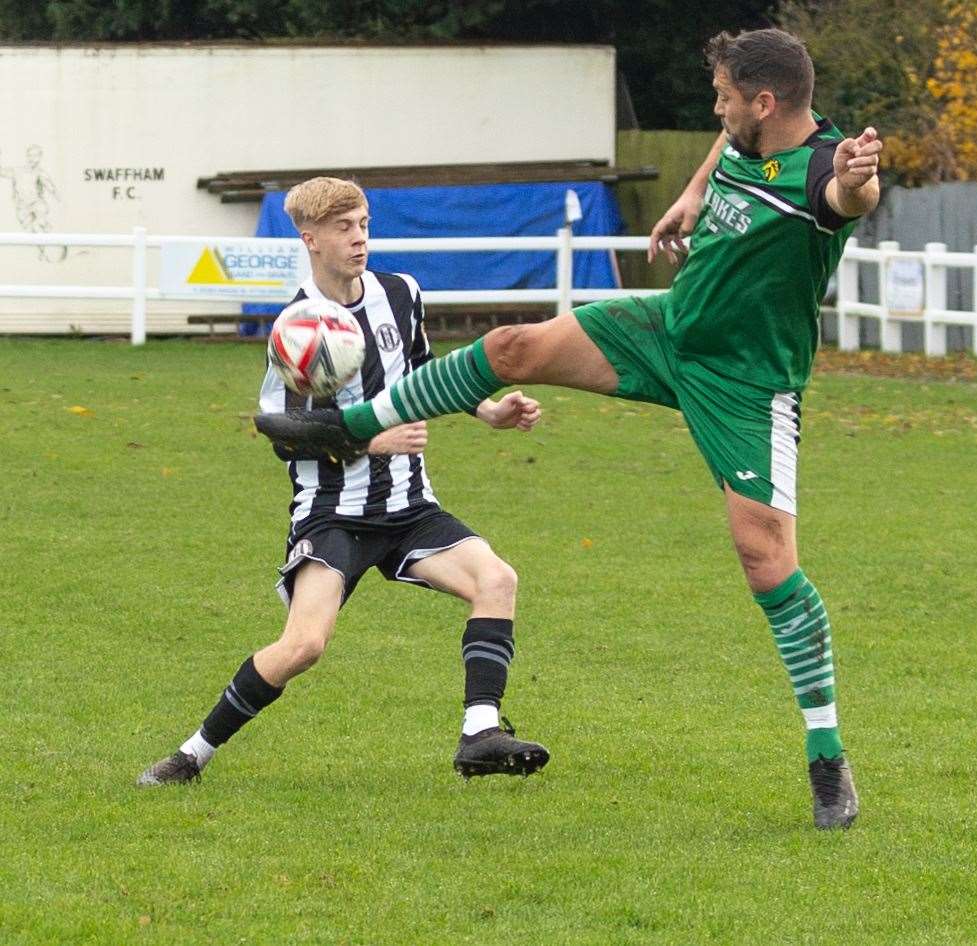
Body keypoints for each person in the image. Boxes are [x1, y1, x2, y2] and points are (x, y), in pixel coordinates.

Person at [254, 29, 883, 829]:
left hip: (746, 385)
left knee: (767, 564)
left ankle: (827, 760)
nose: (716, 110)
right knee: (514, 347)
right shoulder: (751, 131)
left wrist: (862, 186)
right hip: (668, 328)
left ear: (767, 103)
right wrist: (694, 195)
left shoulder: (827, 170)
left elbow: (846, 202)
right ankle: (345, 427)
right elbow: (734, 148)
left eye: (726, 98)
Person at [138, 177, 549, 787]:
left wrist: (486, 409)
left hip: (410, 506)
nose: (359, 238)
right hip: (332, 514)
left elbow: (421, 373)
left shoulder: (401, 293)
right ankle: (191, 755)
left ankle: (479, 733)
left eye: (363, 224)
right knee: (304, 645)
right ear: (310, 239)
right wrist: (369, 438)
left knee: (497, 580)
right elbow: (282, 431)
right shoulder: (297, 327)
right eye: (343, 228)